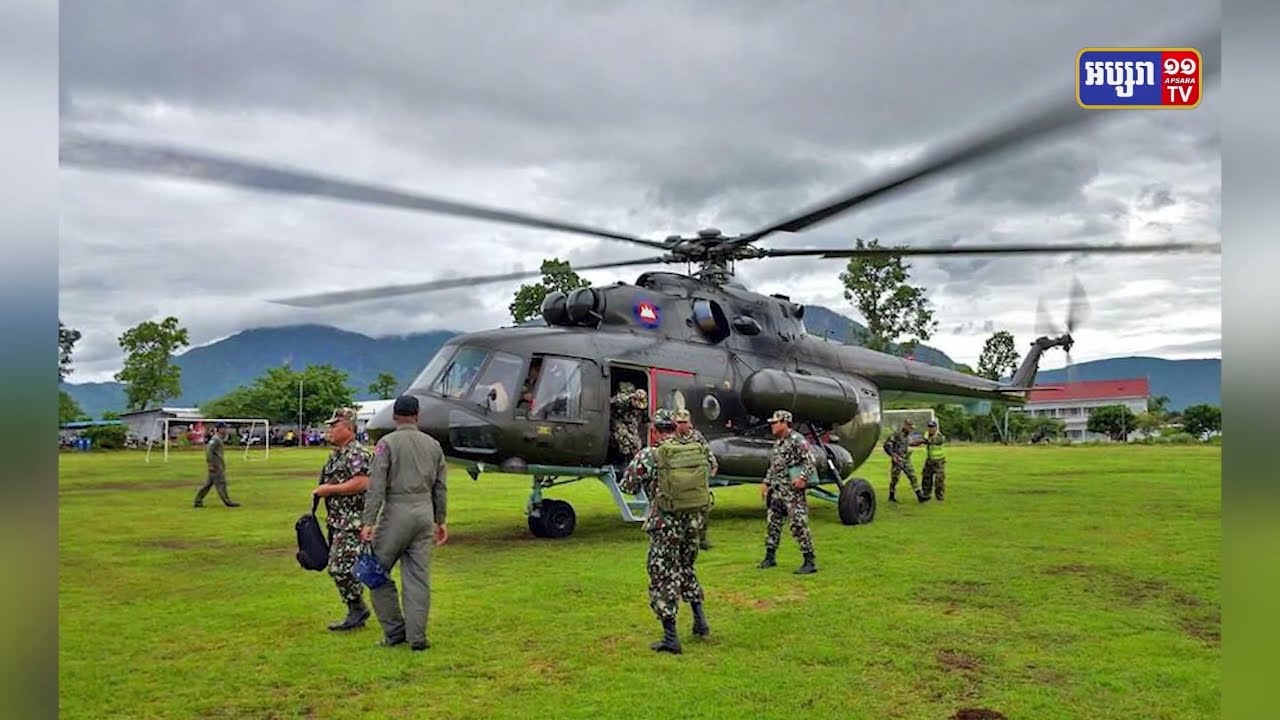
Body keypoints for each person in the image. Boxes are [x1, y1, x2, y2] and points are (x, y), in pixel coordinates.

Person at [618, 408, 714, 654]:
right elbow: (712, 469)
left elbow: (628, 486)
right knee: (687, 568)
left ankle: (671, 637)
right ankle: (700, 622)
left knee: (663, 576)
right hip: (693, 521)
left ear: (654, 430)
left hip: (665, 524)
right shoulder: (697, 448)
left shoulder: (651, 454)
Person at [361, 395, 449, 651]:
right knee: (418, 578)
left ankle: (394, 631)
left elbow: (376, 485)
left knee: (374, 572)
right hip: (424, 513)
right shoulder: (433, 445)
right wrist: (440, 520)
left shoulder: (386, 443)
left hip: (396, 513)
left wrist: (369, 520)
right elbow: (440, 487)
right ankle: (418, 637)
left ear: (394, 416)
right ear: (418, 415)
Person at [313, 407, 374, 631]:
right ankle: (357, 607)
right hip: (339, 520)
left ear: (349, 428)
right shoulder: (338, 454)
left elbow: (363, 482)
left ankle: (358, 608)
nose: (329, 430)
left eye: (334, 425)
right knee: (342, 566)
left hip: (354, 521)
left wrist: (330, 489)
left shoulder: (356, 453)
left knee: (340, 567)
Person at [758, 410, 817, 574]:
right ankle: (770, 557)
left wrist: (803, 478)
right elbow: (774, 466)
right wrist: (766, 482)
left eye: (775, 423)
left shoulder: (797, 440)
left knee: (798, 524)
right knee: (773, 525)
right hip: (777, 491)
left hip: (792, 493)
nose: (772, 426)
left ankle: (809, 560)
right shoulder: (778, 443)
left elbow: (810, 461)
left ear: (785, 423)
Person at [673, 408, 717, 550]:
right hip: (680, 479)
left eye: (684, 422)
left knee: (703, 507)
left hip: (697, 477)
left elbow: (706, 450)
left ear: (689, 423)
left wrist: (713, 464)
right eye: (679, 422)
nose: (682, 425)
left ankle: (702, 538)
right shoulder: (672, 439)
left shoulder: (696, 436)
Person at [193, 422, 240, 507]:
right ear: (220, 429)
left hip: (217, 465)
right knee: (221, 483)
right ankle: (227, 502)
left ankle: (198, 501)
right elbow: (209, 451)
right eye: (224, 428)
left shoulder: (218, 439)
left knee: (207, 485)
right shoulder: (215, 439)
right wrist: (210, 464)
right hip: (216, 466)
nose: (226, 430)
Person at [883, 420, 927, 503]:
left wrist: (922, 441)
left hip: (906, 459)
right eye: (910, 428)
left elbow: (911, 443)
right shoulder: (896, 435)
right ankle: (891, 496)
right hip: (898, 459)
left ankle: (920, 496)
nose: (911, 430)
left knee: (912, 476)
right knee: (895, 479)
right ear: (905, 426)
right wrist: (893, 456)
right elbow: (887, 445)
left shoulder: (907, 436)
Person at [609, 384, 648, 465]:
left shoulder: (639, 409)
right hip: (618, 425)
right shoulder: (623, 400)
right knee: (626, 441)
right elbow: (611, 402)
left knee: (636, 444)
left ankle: (631, 461)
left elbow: (644, 419)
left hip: (631, 426)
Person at [913, 418, 947, 501]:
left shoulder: (939, 436)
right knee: (926, 478)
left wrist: (915, 442)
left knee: (939, 479)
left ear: (936, 428)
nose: (930, 429)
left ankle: (939, 496)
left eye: (932, 427)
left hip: (939, 461)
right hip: (930, 460)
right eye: (929, 427)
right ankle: (926, 494)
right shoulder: (927, 434)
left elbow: (928, 441)